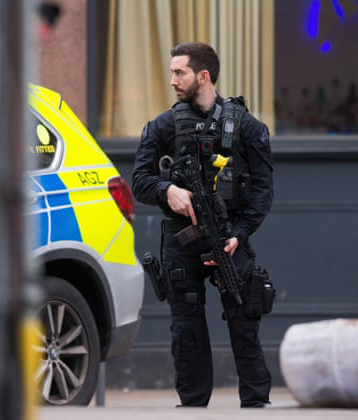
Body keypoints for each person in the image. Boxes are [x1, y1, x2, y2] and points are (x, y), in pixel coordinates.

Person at [132, 42, 274, 408]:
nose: (172, 80)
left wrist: (240, 234)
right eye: (172, 72)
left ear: (203, 75)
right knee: (186, 327)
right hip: (182, 240)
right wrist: (167, 191)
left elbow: (263, 191)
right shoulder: (163, 126)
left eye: (179, 72)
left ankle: (257, 405)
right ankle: (192, 406)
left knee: (244, 318)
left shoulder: (246, 126)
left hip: (229, 237)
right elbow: (140, 182)